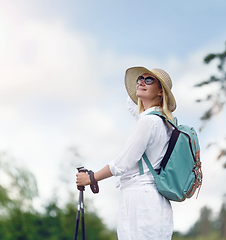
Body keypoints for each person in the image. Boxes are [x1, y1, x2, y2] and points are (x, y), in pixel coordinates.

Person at [76, 66, 177, 240]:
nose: (141, 82)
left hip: (141, 203)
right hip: (154, 202)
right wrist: (140, 89)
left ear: (161, 92)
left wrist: (91, 178)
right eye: (139, 79)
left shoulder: (148, 123)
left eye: (149, 80)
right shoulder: (163, 121)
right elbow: (132, 105)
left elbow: (122, 164)